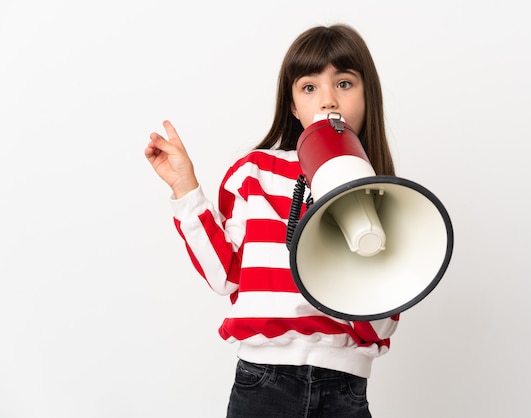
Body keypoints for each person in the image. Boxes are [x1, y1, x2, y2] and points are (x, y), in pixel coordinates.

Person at [145, 24, 399, 418]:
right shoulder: (255, 172)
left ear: (369, 97)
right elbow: (225, 276)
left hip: (344, 388)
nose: (328, 100)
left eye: (344, 83)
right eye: (309, 87)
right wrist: (185, 188)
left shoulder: (386, 196)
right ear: (293, 106)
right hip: (264, 383)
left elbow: (380, 327)